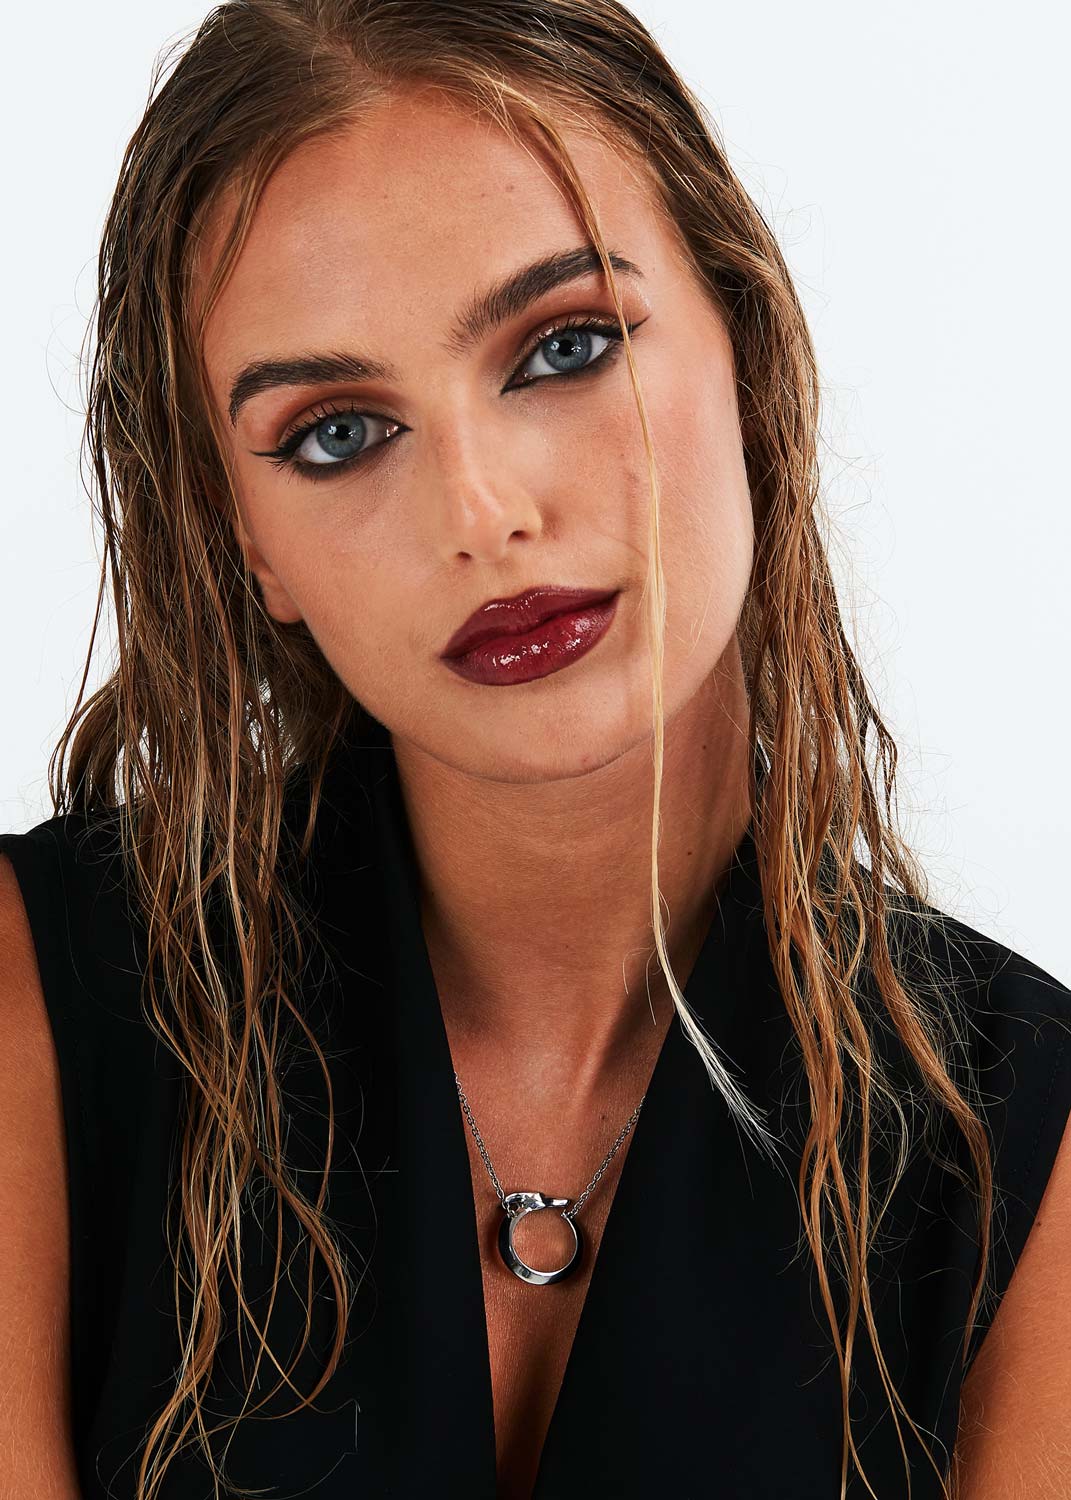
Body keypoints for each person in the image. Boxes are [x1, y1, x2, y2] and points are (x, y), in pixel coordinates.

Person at [1, 2, 1068, 1497]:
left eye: (566, 347)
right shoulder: (42, 1009)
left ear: (747, 341)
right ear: (249, 544)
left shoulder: (1023, 1149)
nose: (482, 512)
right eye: (337, 433)